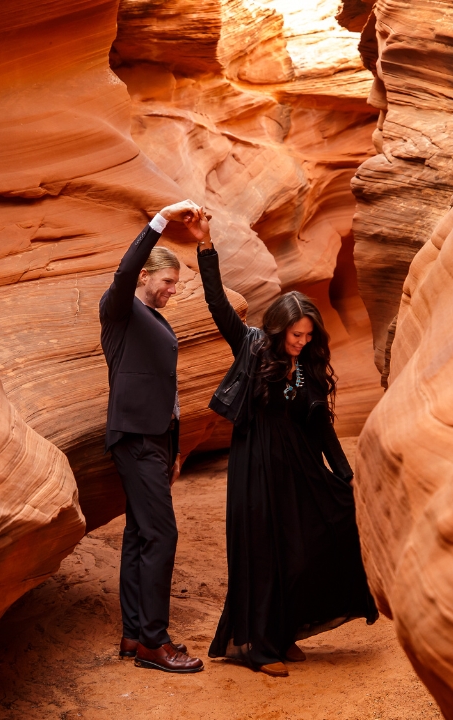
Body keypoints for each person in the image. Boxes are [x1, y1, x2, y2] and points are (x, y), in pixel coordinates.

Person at [190, 209, 378, 678]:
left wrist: (346, 475)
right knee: (262, 554)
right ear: (279, 329)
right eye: (296, 335)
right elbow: (217, 307)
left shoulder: (310, 365)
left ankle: (286, 628)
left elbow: (322, 429)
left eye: (308, 335)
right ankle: (259, 645)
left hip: (299, 470)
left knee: (302, 548)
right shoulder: (253, 346)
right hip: (255, 469)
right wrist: (205, 246)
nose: (302, 341)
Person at [100, 199, 209, 674]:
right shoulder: (119, 307)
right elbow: (123, 273)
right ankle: (154, 641)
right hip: (136, 437)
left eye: (176, 285)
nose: (172, 291)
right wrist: (161, 219)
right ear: (146, 275)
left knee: (140, 534)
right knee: (162, 534)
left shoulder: (156, 320)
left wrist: (176, 445)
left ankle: (133, 634)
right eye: (168, 282)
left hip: (156, 440)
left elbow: (166, 386)